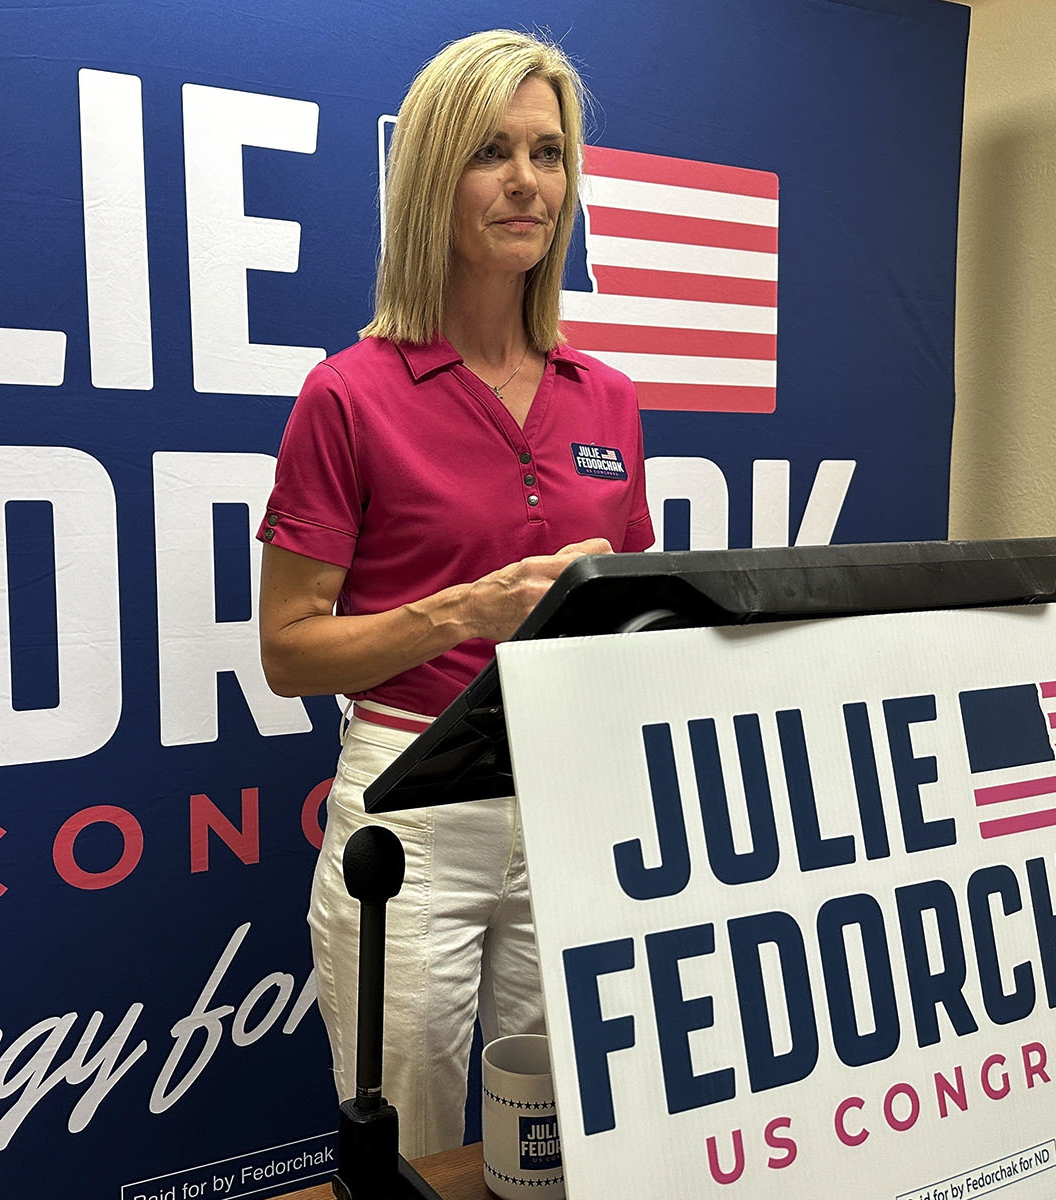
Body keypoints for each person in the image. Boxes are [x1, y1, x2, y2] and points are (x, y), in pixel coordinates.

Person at [257, 29, 654, 1158]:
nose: (528, 182)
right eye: (492, 152)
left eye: (548, 151)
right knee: (414, 1153)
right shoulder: (349, 395)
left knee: (559, 1143)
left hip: (569, 801)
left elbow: (630, 611)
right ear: (436, 177)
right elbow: (288, 650)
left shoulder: (609, 400)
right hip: (413, 810)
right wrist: (459, 614)